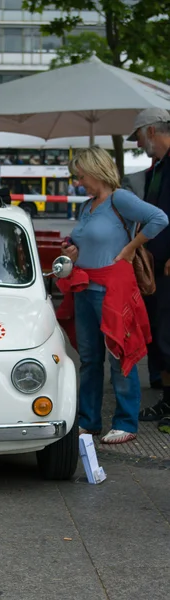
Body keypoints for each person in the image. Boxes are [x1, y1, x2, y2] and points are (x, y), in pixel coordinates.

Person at [61, 145, 168, 444]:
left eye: (81, 175)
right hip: (84, 287)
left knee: (120, 355)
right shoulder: (87, 205)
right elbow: (88, 242)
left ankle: (125, 422)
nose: (78, 181)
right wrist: (72, 248)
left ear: (96, 171)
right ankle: (89, 420)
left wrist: (131, 248)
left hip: (111, 289)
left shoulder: (120, 199)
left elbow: (160, 219)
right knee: (90, 360)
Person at [127, 108, 170, 432]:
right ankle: (167, 399)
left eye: (139, 137)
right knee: (160, 334)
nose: (139, 144)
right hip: (156, 267)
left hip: (166, 266)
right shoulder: (159, 167)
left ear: (151, 131)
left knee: (166, 335)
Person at [122, 159, 163, 390]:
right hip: (144, 260)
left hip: (148, 258)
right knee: (149, 319)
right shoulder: (139, 179)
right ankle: (155, 372)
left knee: (156, 322)